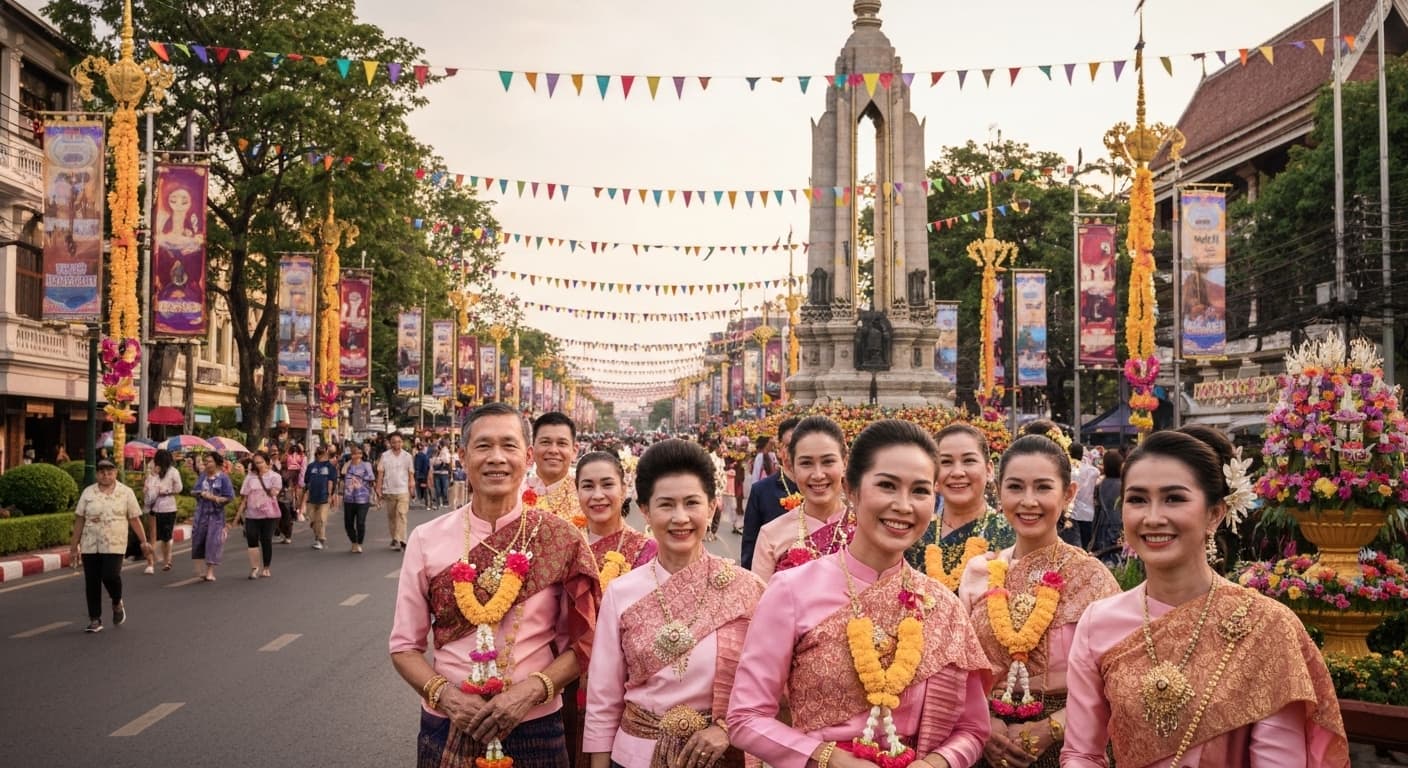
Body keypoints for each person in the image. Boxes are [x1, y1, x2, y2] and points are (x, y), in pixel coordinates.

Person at [1061, 426, 1350, 767]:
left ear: (1215, 514)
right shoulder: (1099, 622)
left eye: (1174, 498)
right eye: (1137, 499)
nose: (1153, 518)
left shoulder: (1266, 626)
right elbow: (1082, 753)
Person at [728, 419, 993, 768]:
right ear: (852, 490)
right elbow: (745, 718)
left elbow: (972, 728)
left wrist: (936, 763)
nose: (903, 505)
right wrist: (828, 759)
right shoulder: (791, 590)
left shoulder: (942, 605)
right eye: (886, 485)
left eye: (919, 491)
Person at [389, 402, 601, 768]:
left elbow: (583, 644)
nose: (496, 458)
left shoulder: (561, 539)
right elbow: (404, 647)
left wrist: (529, 692)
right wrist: (451, 699)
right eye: (483, 446)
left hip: (535, 722)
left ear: (528, 455)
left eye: (509, 445)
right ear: (463, 455)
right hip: (448, 721)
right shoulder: (426, 539)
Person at [584, 439, 765, 768]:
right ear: (645, 511)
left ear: (711, 508)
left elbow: (766, 687)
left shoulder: (746, 589)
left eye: (691, 503)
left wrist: (725, 730)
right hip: (633, 757)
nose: (680, 518)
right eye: (666, 505)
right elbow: (604, 698)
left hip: (717, 758)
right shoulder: (621, 592)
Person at [957, 435, 1120, 768]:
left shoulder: (1092, 578)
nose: (1028, 501)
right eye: (1015, 487)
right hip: (987, 743)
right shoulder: (980, 572)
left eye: (1043, 488)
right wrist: (985, 723)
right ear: (998, 492)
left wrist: (1051, 727)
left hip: (1069, 745)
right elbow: (960, 669)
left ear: (1068, 494)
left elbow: (1117, 680)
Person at [906, 423, 1015, 588]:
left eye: (969, 461)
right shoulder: (916, 532)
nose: (957, 472)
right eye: (946, 462)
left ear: (989, 470)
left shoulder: (1010, 534)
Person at [750, 415, 852, 580]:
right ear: (791, 466)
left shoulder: (868, 528)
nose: (818, 475)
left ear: (845, 463)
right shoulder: (771, 535)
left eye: (828, 462)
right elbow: (760, 602)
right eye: (806, 463)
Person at [71, 459, 149, 633]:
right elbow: (79, 519)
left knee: (110, 575)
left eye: (109, 472)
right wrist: (73, 546)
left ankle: (116, 600)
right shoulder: (88, 493)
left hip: (115, 542)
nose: (105, 475)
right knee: (91, 581)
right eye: (102, 472)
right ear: (97, 474)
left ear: (115, 473)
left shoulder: (125, 493)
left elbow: (134, 518)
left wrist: (144, 541)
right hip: (90, 542)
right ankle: (95, 618)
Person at [576, 451, 658, 580]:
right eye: (588, 486)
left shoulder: (647, 550)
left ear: (624, 490)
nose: (598, 495)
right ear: (577, 492)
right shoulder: (567, 543)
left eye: (607, 484)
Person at [739, 416, 801, 570]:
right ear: (780, 449)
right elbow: (750, 545)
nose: (796, 452)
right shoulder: (761, 491)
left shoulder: (820, 489)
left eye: (801, 445)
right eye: (790, 446)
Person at [527, 412, 582, 523]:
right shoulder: (513, 493)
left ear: (574, 451)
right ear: (531, 451)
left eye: (562, 443)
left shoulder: (586, 496)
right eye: (545, 442)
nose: (553, 450)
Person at [235, 450, 282, 579]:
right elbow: (244, 496)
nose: (259, 465)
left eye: (261, 462)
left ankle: (266, 567)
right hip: (252, 514)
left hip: (269, 514)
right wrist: (238, 516)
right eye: (256, 463)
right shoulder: (250, 477)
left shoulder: (275, 477)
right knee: (251, 538)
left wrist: (268, 489)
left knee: (266, 539)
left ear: (267, 462)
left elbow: (275, 493)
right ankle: (254, 568)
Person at [191, 453, 234, 581]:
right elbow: (194, 491)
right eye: (205, 462)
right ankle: (201, 570)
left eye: (209, 461)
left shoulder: (223, 478)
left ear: (216, 463)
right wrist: (200, 493)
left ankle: (210, 571)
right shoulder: (203, 476)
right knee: (199, 540)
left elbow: (229, 497)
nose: (206, 464)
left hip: (216, 515)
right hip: (201, 514)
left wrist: (214, 498)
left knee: (213, 542)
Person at [143, 448, 183, 573]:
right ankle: (155, 561)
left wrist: (166, 491)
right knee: (156, 535)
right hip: (154, 507)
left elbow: (179, 488)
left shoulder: (173, 472)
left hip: (168, 507)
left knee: (166, 536)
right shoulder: (153, 474)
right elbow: (147, 489)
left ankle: (167, 560)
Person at [377, 433, 415, 551]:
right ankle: (394, 537)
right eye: (394, 442)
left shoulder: (407, 456)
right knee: (392, 516)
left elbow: (410, 473)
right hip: (389, 489)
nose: (396, 444)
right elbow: (381, 473)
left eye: (399, 441)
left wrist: (411, 486)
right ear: (390, 443)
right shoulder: (385, 456)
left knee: (402, 514)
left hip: (403, 490)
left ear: (402, 442)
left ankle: (402, 539)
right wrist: (378, 488)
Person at [301, 445, 337, 550]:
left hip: (324, 497)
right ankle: (317, 535)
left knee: (321, 519)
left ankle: (320, 539)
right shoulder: (311, 466)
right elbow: (306, 481)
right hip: (311, 497)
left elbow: (331, 482)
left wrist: (330, 496)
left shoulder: (330, 467)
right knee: (312, 520)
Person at [342, 444, 377, 553]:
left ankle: (359, 543)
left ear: (362, 454)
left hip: (362, 498)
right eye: (354, 453)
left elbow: (371, 477)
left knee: (360, 522)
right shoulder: (347, 465)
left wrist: (360, 478)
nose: (357, 455)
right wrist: (348, 462)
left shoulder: (366, 465)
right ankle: (354, 542)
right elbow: (343, 472)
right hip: (349, 498)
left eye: (359, 453)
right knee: (348, 523)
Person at [1089, 450, 1124, 560]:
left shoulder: (1100, 485)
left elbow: (1097, 508)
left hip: (1103, 527)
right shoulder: (1124, 485)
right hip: (1121, 526)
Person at [1069, 445, 1098, 550]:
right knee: (1086, 546)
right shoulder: (1092, 471)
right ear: (1082, 454)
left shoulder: (1066, 469)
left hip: (1070, 513)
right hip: (1087, 513)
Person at [433, 441, 453, 510]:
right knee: (438, 489)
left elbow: (447, 461)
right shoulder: (436, 453)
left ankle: (445, 502)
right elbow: (433, 461)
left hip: (444, 473)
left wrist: (440, 459)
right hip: (436, 473)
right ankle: (438, 503)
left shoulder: (446, 452)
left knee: (444, 489)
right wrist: (439, 459)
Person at [414, 442, 432, 509]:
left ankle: (423, 501)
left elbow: (416, 466)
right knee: (425, 489)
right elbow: (427, 467)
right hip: (424, 475)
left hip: (418, 475)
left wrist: (416, 475)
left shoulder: (417, 456)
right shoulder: (425, 456)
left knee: (421, 489)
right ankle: (427, 503)